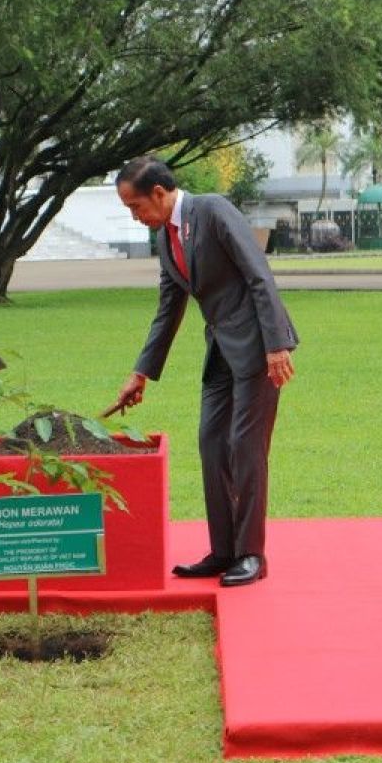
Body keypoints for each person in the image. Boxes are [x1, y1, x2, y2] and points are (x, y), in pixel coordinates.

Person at [112, 155, 298, 588]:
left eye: (135, 207)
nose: (135, 216)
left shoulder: (212, 210)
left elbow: (258, 274)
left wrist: (276, 344)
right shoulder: (165, 239)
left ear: (159, 193)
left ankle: (252, 554)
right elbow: (167, 310)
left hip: (257, 348)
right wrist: (141, 374)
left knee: (245, 447)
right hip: (220, 352)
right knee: (212, 443)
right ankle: (223, 551)